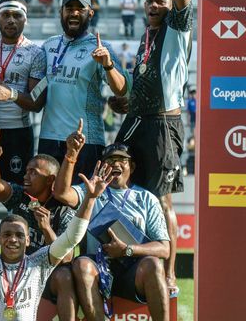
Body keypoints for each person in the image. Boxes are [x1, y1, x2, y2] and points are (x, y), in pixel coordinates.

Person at [110, 0, 194, 297]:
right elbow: (138, 87)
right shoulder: (144, 39)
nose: (156, 5)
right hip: (138, 120)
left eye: (161, 1)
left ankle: (169, 274)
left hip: (163, 124)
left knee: (160, 198)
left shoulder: (177, 28)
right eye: (150, 1)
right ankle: (127, 262)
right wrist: (122, 102)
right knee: (120, 186)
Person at [0, 155, 108, 321]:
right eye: (7, 235)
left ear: (28, 240)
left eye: (19, 235)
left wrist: (90, 199)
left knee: (64, 275)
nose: (13, 239)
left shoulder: (38, 263)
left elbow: (71, 239)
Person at [54, 128, 171, 321]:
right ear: (101, 166)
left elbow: (164, 248)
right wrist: (71, 155)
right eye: (109, 160)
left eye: (121, 160)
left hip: (132, 269)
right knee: (82, 264)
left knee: (153, 263)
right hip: (96, 267)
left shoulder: (147, 198)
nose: (115, 164)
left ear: (131, 167)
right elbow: (61, 193)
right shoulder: (90, 189)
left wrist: (127, 249)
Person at [0, 128, 78, 320]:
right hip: (16, 268)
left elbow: (67, 258)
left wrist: (46, 228)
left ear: (50, 179)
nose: (26, 176)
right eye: (26, 171)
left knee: (65, 277)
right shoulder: (22, 195)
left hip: (45, 271)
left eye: (33, 173)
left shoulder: (64, 210)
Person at [38, 0, 127, 177]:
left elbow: (121, 89)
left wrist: (109, 65)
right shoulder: (48, 45)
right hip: (49, 137)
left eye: (80, 9)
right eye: (69, 8)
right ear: (61, 11)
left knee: (82, 199)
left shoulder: (101, 48)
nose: (74, 13)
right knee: (47, 200)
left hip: (85, 139)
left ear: (90, 13)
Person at [0, 0, 47, 185]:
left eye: (17, 16)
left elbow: (37, 103)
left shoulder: (36, 53)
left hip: (18, 134)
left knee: (19, 194)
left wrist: (11, 94)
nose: (11, 20)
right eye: (5, 15)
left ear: (26, 19)